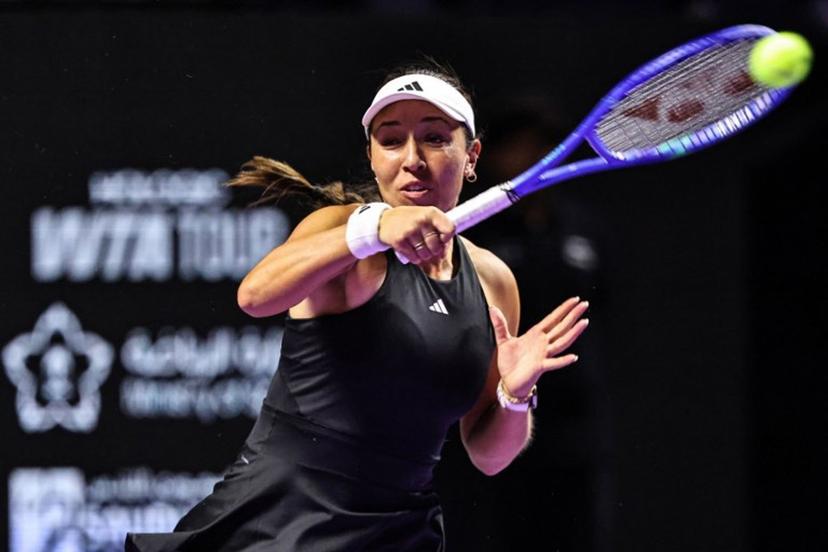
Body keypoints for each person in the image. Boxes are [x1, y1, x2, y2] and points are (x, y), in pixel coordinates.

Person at [126, 62, 589, 551]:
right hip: (281, 525)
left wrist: (514, 398)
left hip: (397, 533)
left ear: (471, 155)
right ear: (371, 157)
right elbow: (255, 296)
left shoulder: (494, 281)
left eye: (434, 138)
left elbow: (489, 455)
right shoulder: (341, 232)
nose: (412, 158)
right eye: (391, 140)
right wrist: (370, 231)